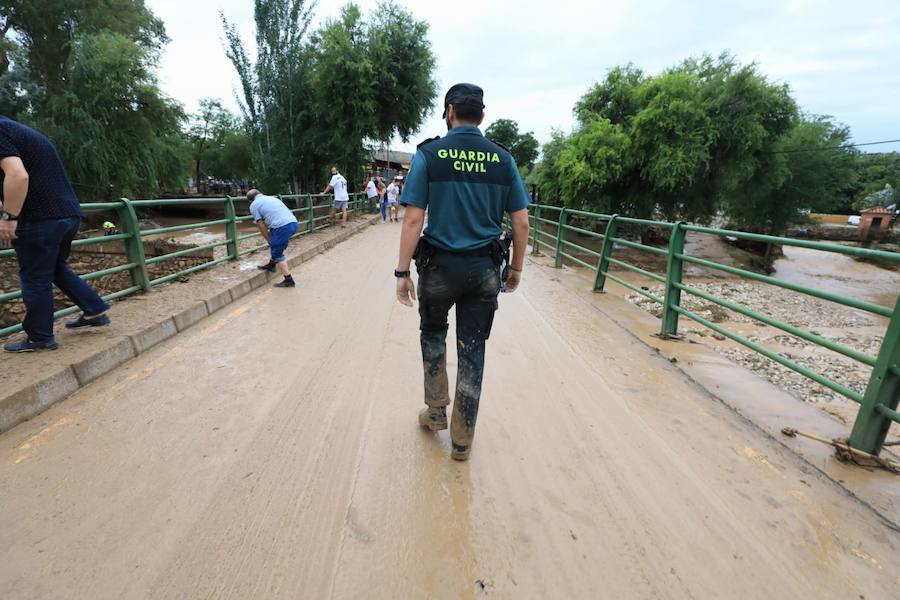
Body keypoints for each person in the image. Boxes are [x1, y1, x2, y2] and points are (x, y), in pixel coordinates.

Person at [394, 83, 530, 461]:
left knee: (433, 333)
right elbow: (521, 221)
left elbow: (413, 218)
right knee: (473, 349)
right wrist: (516, 268)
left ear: (449, 112)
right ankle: (463, 438)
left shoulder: (429, 154)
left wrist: (402, 273)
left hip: (438, 268)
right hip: (484, 270)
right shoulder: (503, 160)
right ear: (482, 116)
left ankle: (436, 410)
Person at [0, 115, 112, 352]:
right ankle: (94, 309)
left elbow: (18, 176)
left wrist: (9, 218)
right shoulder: (15, 130)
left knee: (34, 277)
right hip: (68, 214)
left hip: (40, 218)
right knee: (54, 269)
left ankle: (40, 337)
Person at [247, 189, 299, 288]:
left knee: (276, 251)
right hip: (293, 223)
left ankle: (289, 280)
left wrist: (269, 239)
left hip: (282, 226)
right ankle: (271, 265)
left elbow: (261, 224)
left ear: (250, 200)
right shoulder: (272, 198)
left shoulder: (254, 205)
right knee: (277, 245)